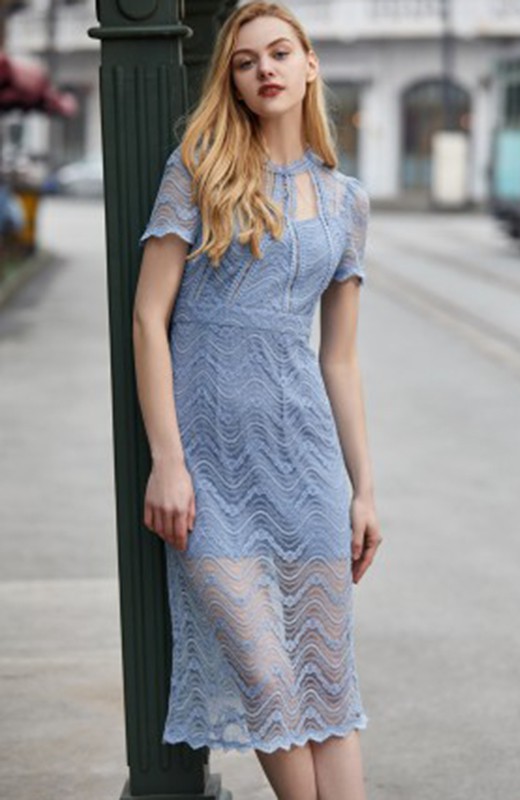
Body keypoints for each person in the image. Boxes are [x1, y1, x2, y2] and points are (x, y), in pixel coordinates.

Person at [132, 3, 382, 798]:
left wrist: (364, 488)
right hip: (209, 472)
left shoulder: (346, 201)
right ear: (233, 82)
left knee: (326, 686)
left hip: (306, 466)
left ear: (309, 65)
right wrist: (168, 462)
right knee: (270, 681)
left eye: (279, 53)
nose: (264, 69)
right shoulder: (198, 169)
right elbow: (148, 318)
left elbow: (339, 358)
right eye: (245, 61)